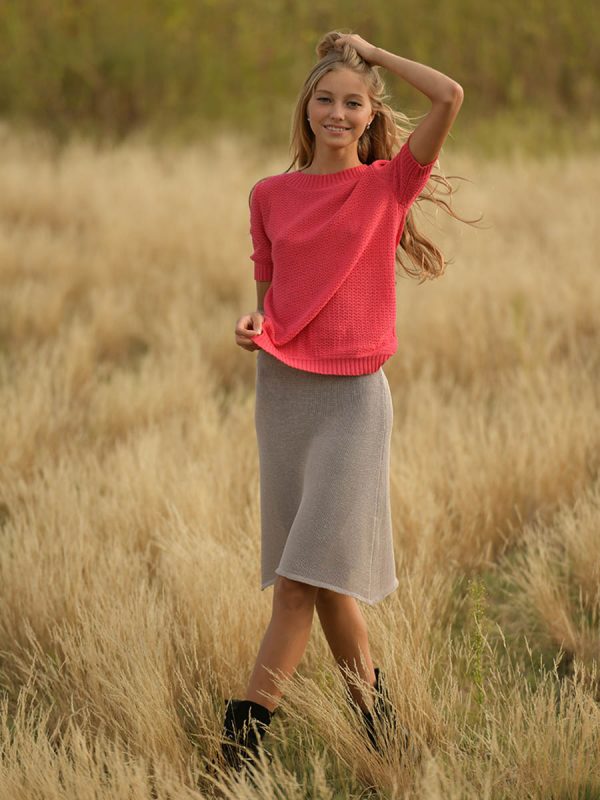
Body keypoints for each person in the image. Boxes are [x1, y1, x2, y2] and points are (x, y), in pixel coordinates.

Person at [223, 29, 471, 773]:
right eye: (324, 100)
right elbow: (271, 298)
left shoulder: (390, 184)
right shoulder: (269, 194)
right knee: (326, 580)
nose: (336, 112)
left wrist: (371, 51)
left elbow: (450, 95)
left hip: (355, 401)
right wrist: (253, 327)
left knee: (299, 580)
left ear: (369, 115)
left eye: (352, 103)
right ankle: (383, 731)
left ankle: (235, 752)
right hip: (284, 395)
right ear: (306, 110)